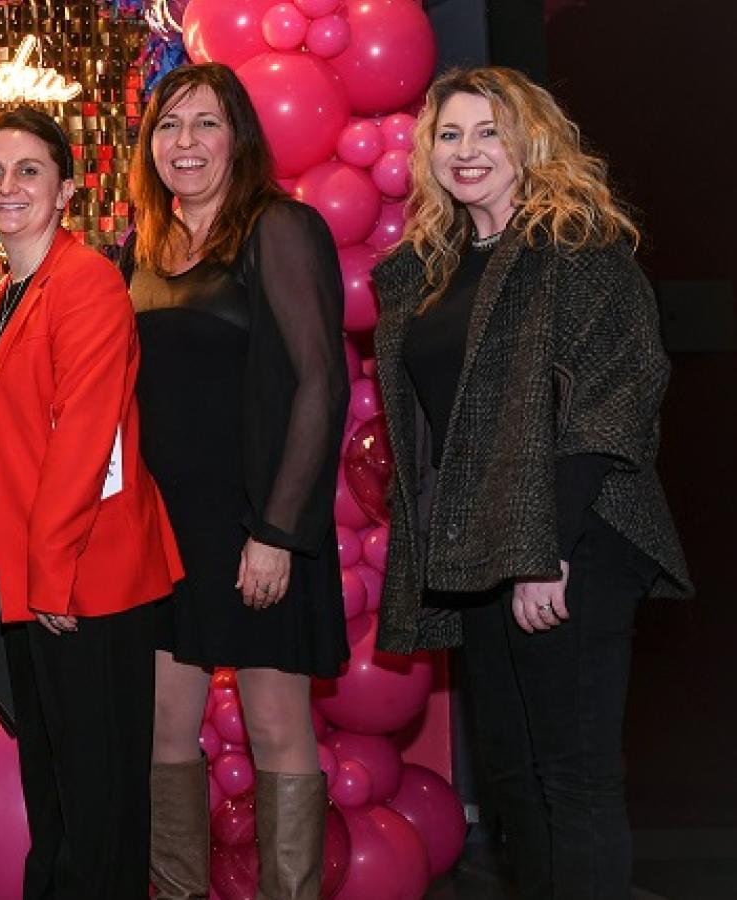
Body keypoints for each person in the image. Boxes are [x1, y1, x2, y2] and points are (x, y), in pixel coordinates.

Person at [371, 67, 691, 900]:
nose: (467, 150)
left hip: (575, 535)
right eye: (450, 134)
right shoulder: (430, 269)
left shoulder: (579, 249)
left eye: (490, 132)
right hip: (483, 543)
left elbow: (613, 404)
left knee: (573, 777)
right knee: (512, 779)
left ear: (532, 141)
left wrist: (545, 551)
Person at [123, 62, 348, 900]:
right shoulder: (139, 249)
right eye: (168, 125)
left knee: (277, 728)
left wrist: (277, 532)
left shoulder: (278, 227)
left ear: (238, 138)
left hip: (258, 523)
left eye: (206, 123)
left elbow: (321, 383)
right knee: (162, 729)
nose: (185, 142)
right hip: (164, 528)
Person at [0, 106, 184, 899]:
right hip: (33, 582)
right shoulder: (1, 297)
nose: (8, 186)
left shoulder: (85, 280)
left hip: (85, 582)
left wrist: (49, 573)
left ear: (65, 191)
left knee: (99, 812)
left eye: (29, 171)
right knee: (56, 803)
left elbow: (87, 435)